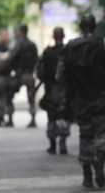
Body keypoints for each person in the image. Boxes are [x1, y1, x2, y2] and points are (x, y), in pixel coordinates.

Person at [57, 14, 105, 188]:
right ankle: (99, 158)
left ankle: (87, 176)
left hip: (80, 100)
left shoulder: (70, 47)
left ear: (80, 26)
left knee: (85, 135)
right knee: (104, 132)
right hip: (101, 98)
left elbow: (60, 75)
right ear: (94, 26)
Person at [37, 27, 73, 155]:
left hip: (51, 89)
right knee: (64, 116)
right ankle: (62, 143)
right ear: (63, 36)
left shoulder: (47, 52)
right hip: (65, 89)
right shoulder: (69, 51)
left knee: (52, 117)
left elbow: (39, 71)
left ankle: (52, 145)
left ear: (54, 36)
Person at [8, 24, 38, 127]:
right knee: (31, 97)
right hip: (29, 73)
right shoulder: (32, 44)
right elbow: (36, 59)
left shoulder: (19, 44)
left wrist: (13, 68)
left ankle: (10, 118)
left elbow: (11, 58)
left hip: (20, 74)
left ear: (21, 31)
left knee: (9, 93)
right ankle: (33, 118)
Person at [0, 28, 14, 127]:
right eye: (2, 35)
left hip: (8, 76)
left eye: (6, 35)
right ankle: (0, 118)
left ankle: (9, 118)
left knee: (9, 97)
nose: (4, 37)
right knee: (0, 98)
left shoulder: (11, 48)